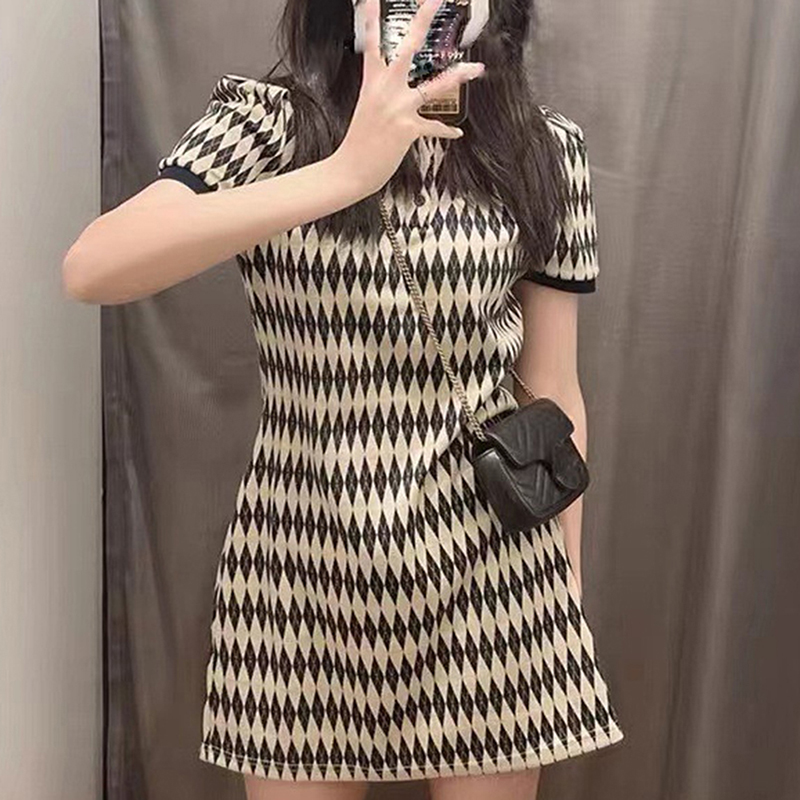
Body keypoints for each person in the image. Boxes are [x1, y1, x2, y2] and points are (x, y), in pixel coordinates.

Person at [63, 0, 625, 797]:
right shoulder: (267, 126)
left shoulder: (544, 151)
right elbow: (93, 268)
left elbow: (555, 387)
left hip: (493, 574)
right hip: (298, 573)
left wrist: (563, 591)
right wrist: (344, 174)